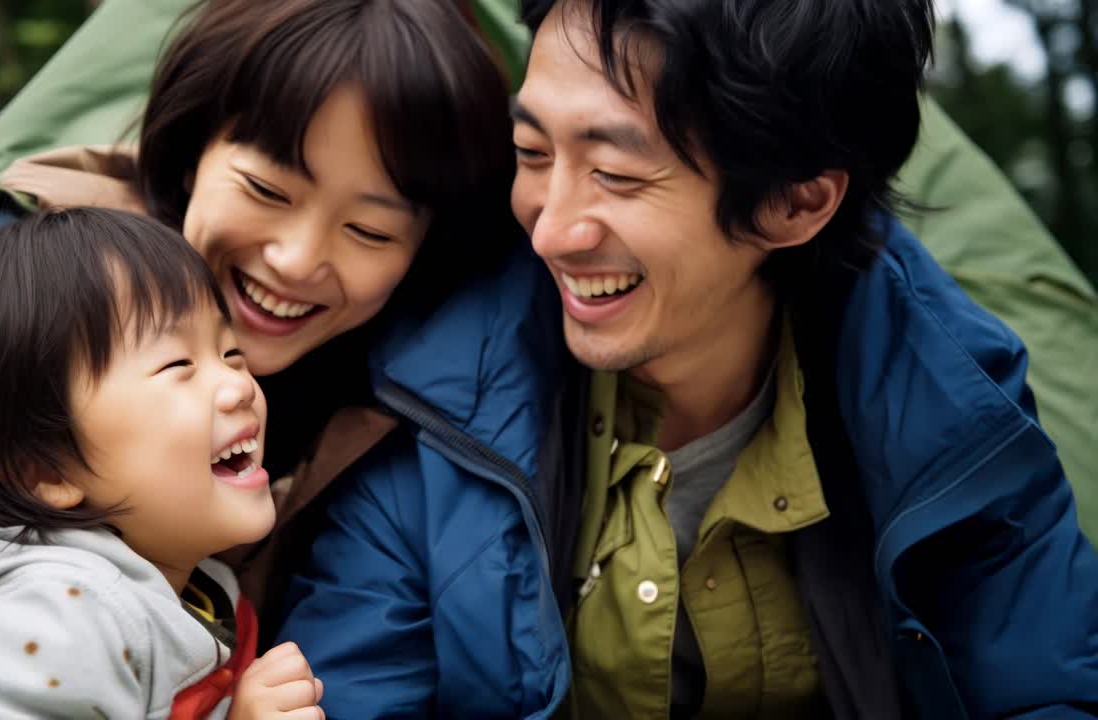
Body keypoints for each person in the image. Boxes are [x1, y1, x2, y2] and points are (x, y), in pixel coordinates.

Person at [276, 0, 1098, 717]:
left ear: (795, 202)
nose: (552, 230)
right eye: (531, 154)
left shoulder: (955, 421)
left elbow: (1044, 689)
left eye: (617, 174)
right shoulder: (433, 403)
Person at [0, 1, 521, 716]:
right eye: (266, 190)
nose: (296, 258)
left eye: (369, 231)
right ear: (193, 153)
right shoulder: (0, 288)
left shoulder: (415, 385)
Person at [0, 208, 326, 720]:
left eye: (232, 352)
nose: (240, 385)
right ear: (42, 467)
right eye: (178, 365)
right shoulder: (51, 618)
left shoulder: (184, 589)